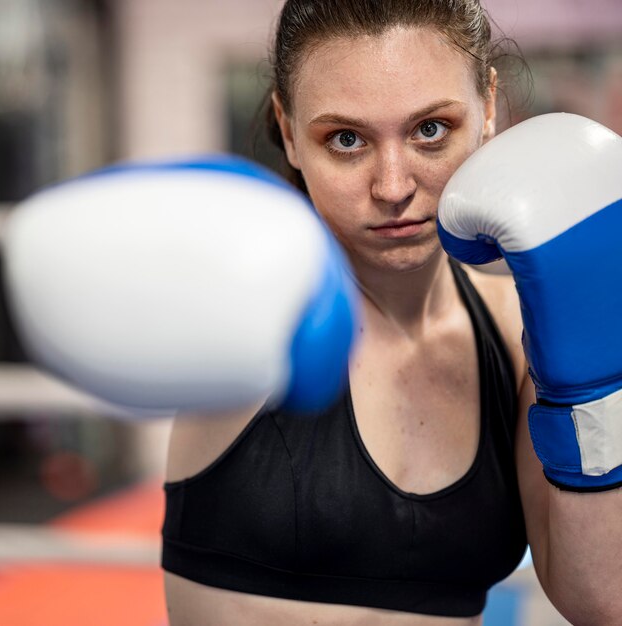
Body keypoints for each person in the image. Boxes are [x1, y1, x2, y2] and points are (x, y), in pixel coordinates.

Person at [160, 1, 622, 625]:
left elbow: (602, 602)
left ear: (487, 107)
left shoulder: (516, 332)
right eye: (346, 140)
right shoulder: (250, 311)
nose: (393, 186)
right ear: (289, 130)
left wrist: (596, 389)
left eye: (430, 129)